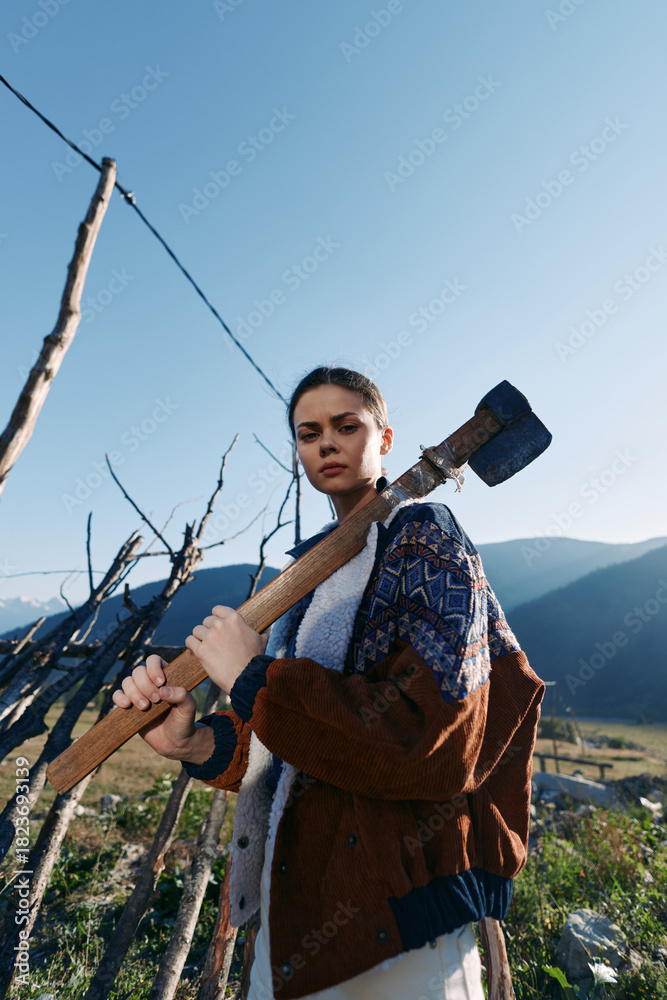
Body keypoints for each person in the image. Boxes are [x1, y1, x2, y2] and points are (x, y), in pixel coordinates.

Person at [113, 366, 545, 1000]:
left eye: (347, 426)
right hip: (289, 915)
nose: (327, 444)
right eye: (308, 433)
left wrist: (256, 678)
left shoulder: (425, 540)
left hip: (397, 933)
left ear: (385, 439)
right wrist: (195, 743)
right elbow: (291, 748)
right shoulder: (308, 572)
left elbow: (433, 741)